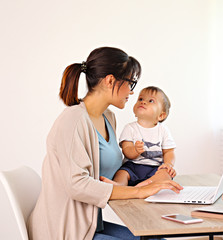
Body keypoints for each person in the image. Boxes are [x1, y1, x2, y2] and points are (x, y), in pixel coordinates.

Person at [27, 47, 182, 240]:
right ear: (110, 81)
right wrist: (138, 191)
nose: (132, 92)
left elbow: (108, 173)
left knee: (157, 238)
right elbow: (77, 185)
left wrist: (153, 179)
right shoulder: (73, 120)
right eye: (131, 83)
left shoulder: (108, 118)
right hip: (67, 230)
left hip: (90, 224)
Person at [104, 86, 176, 187]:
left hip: (155, 168)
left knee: (166, 174)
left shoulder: (163, 130)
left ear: (161, 116)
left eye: (151, 101)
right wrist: (135, 151)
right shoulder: (130, 128)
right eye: (140, 99)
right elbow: (126, 150)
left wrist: (168, 165)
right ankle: (118, 185)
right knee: (122, 172)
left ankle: (147, 184)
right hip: (133, 166)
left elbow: (169, 151)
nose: (143, 102)